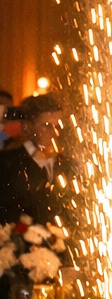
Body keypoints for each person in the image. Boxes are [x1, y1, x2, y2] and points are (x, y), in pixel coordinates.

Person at [0, 94, 69, 225]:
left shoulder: (67, 166)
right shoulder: (7, 163)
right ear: (27, 127)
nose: (55, 133)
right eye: (47, 125)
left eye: (58, 126)